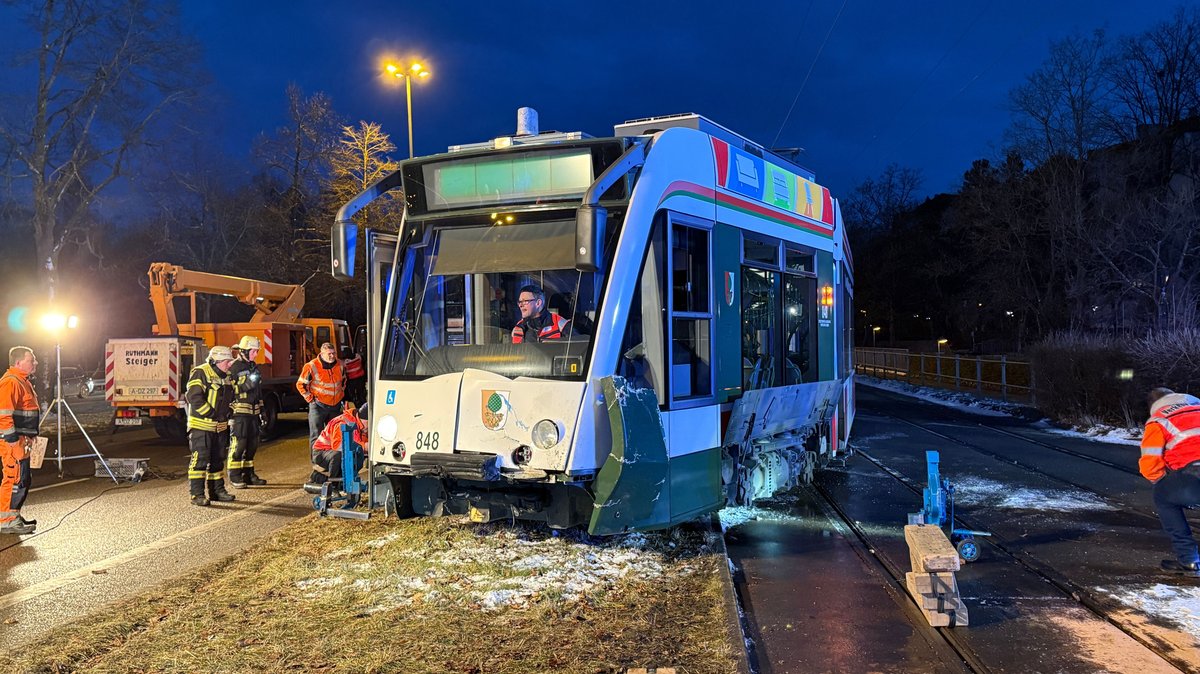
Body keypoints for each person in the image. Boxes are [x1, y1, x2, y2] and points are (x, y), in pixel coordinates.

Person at [1140, 387, 1200, 576]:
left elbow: (1150, 464)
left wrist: (1163, 482)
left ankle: (1188, 560)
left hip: (1193, 474)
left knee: (1164, 498)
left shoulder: (1159, 420)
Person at [186, 345, 237, 506]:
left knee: (217, 460)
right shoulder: (201, 372)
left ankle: (217, 491)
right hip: (202, 426)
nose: (229, 365)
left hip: (220, 427)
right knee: (200, 461)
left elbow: (231, 398)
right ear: (215, 361)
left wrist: (228, 413)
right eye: (226, 362)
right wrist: (211, 414)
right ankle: (197, 494)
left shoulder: (227, 376)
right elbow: (194, 397)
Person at [0, 346, 41, 535]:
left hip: (21, 440)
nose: (35, 363)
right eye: (31, 360)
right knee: (14, 478)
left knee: (21, 478)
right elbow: (3, 414)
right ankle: (7, 519)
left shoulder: (22, 381)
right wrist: (12, 440)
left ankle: (12, 515)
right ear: (18, 363)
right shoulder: (11, 382)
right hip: (13, 442)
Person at [227, 336, 266, 488]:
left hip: (253, 413)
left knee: (252, 445)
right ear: (244, 351)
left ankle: (249, 474)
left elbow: (258, 391)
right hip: (239, 413)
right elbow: (229, 391)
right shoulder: (234, 368)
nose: (256, 354)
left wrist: (262, 410)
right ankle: (235, 475)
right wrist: (248, 384)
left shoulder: (253, 366)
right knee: (239, 444)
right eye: (254, 351)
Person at [305, 401, 368, 491]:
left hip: (333, 452)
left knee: (356, 457)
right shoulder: (343, 423)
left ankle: (328, 480)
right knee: (338, 456)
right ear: (364, 419)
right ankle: (333, 486)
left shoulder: (362, 426)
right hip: (321, 452)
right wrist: (364, 447)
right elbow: (338, 446)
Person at [297, 342, 346, 450]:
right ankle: (317, 462)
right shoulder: (311, 366)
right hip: (318, 405)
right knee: (316, 435)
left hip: (335, 406)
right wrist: (310, 398)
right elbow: (301, 384)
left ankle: (332, 459)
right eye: (329, 354)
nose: (332, 356)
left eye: (334, 353)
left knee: (334, 434)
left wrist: (341, 395)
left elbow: (343, 381)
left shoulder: (340, 365)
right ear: (322, 354)